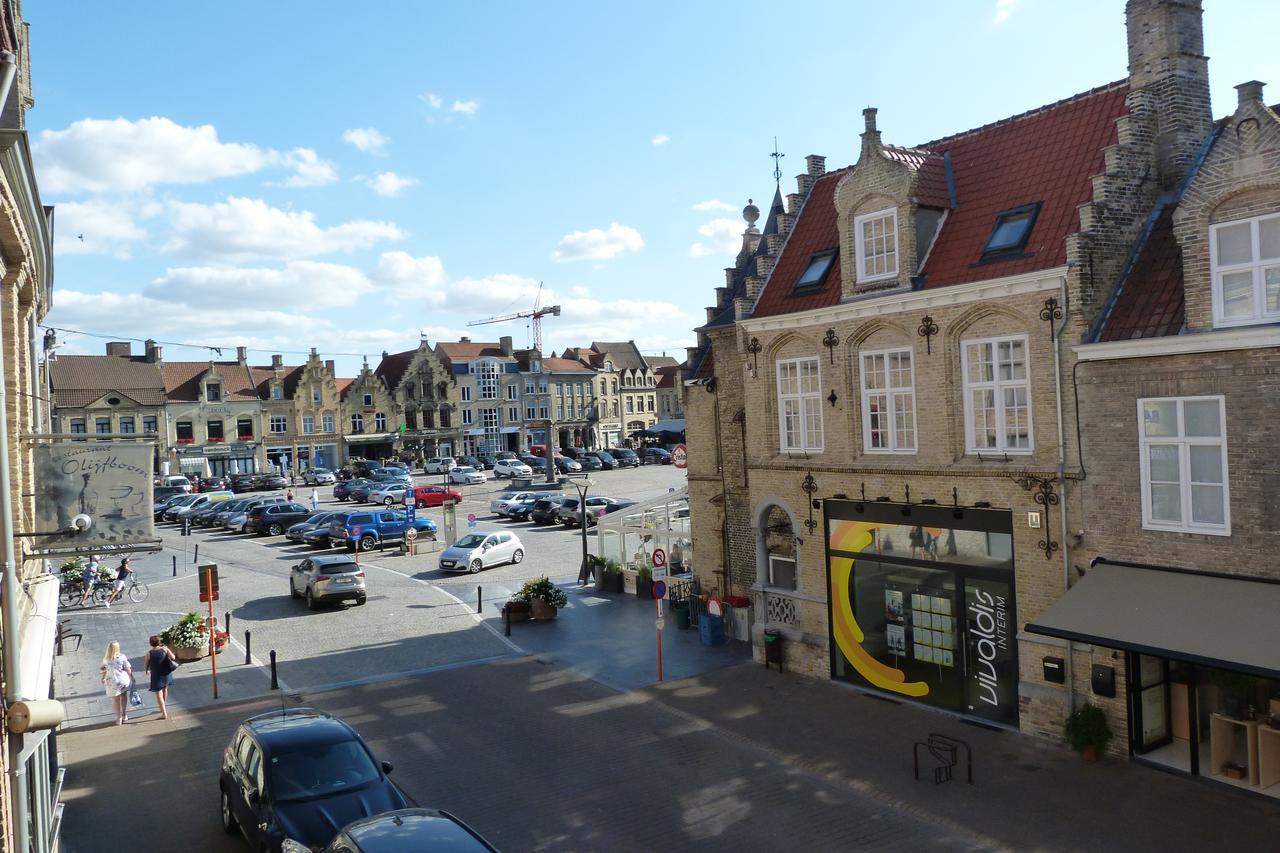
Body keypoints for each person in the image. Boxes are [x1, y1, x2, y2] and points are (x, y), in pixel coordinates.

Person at [143, 635, 177, 720]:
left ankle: (164, 712)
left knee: (158, 693)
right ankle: (163, 706)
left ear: (150, 644)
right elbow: (173, 658)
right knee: (165, 689)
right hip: (166, 673)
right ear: (159, 642)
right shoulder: (165, 649)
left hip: (156, 675)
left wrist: (146, 671)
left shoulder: (149, 653)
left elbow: (146, 665)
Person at [100, 641, 133, 725]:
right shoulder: (122, 657)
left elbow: (103, 670)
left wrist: (103, 678)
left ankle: (119, 717)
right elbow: (128, 668)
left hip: (112, 681)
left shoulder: (105, 659)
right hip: (122, 680)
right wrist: (131, 677)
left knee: (115, 700)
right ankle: (124, 714)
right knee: (124, 696)